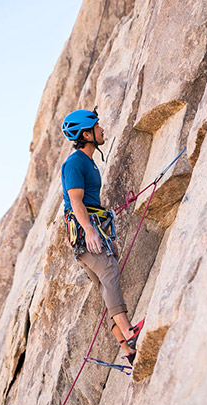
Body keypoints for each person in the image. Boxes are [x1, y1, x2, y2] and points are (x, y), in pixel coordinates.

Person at [61, 107, 144, 365]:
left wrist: (104, 235)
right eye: (97, 127)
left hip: (92, 228)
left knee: (103, 284)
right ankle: (130, 334)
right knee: (109, 274)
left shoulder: (88, 162)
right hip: (85, 230)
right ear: (86, 134)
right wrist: (90, 232)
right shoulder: (75, 162)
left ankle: (128, 350)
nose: (102, 129)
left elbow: (88, 201)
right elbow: (75, 201)